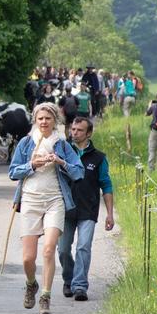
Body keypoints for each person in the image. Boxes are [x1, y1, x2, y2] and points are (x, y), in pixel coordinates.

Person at [9, 103, 84, 314]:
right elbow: (14, 172)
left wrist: (61, 162)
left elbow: (79, 173)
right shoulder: (26, 143)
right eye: (40, 118)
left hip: (55, 201)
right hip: (30, 201)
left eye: (48, 118)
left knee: (49, 249)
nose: (44, 122)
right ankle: (31, 283)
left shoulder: (62, 144)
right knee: (27, 258)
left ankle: (45, 296)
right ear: (35, 120)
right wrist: (31, 165)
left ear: (55, 121)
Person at [58, 117, 115, 301]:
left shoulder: (99, 158)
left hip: (88, 209)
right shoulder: (61, 152)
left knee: (83, 247)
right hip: (65, 209)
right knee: (63, 250)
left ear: (89, 133)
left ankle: (80, 286)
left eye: (79, 130)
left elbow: (106, 185)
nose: (74, 133)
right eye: (73, 129)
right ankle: (69, 279)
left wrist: (110, 214)